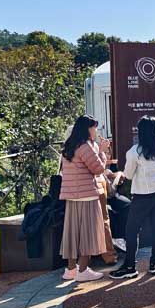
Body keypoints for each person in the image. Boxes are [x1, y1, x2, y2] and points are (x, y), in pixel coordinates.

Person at [110, 116, 155, 279]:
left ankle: (130, 266)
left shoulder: (135, 152)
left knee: (131, 230)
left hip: (142, 196)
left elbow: (129, 174)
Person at [59, 115, 111, 282]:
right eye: (94, 127)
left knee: (73, 234)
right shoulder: (85, 146)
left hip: (71, 196)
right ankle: (83, 270)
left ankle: (70, 269)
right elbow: (98, 169)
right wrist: (102, 151)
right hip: (87, 195)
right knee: (88, 234)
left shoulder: (69, 146)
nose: (96, 131)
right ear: (87, 129)